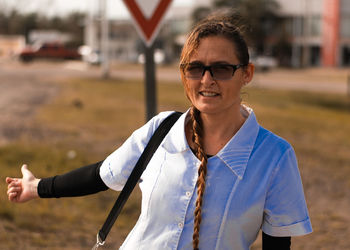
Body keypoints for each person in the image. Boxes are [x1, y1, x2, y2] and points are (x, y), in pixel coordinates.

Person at [6, 12, 312, 250]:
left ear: (247, 73)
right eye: (195, 68)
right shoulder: (161, 130)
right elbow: (103, 174)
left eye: (221, 68)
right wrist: (37, 188)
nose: (206, 80)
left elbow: (278, 245)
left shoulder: (274, 156)